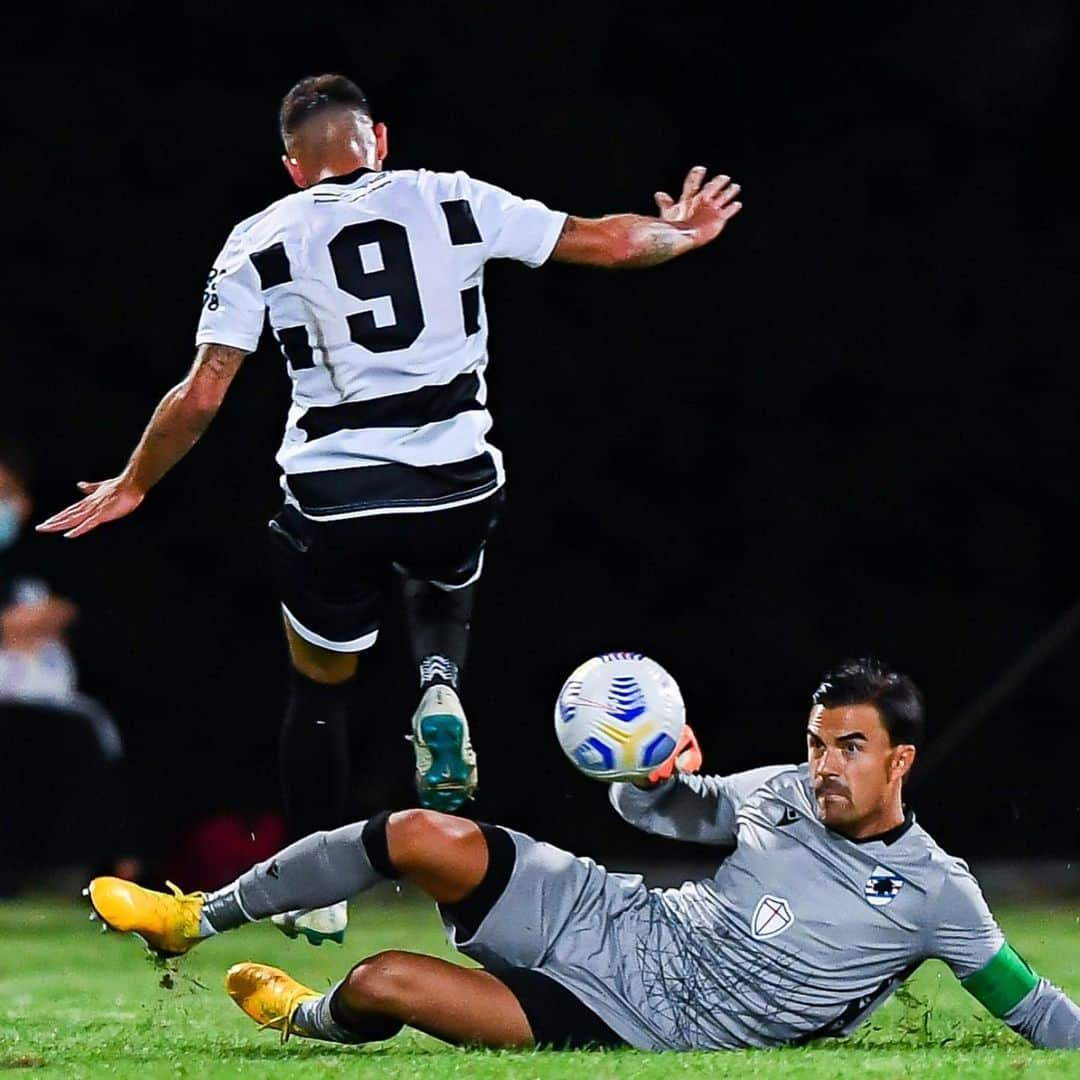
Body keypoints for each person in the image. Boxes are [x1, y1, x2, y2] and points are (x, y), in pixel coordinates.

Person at [36, 75, 743, 942]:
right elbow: (603, 242)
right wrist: (686, 232)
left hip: (333, 496)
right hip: (456, 477)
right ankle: (439, 682)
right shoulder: (451, 198)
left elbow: (202, 392)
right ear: (378, 140)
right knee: (449, 561)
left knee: (320, 685)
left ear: (294, 167)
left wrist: (135, 482)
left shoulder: (261, 236)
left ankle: (315, 886)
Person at [86, 658, 1079, 1051]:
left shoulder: (938, 892)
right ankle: (194, 916)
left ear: (899, 759)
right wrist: (650, 777)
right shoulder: (776, 789)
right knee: (418, 834)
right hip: (611, 917)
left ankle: (310, 1019)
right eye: (818, 740)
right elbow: (661, 822)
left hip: (636, 1023)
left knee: (384, 980)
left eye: (849, 748)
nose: (824, 764)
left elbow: (1029, 1004)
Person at [0, 443, 134, 893]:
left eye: (5, 493)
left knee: (95, 742)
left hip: (50, 705)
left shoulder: (43, 558)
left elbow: (67, 612)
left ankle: (111, 872)